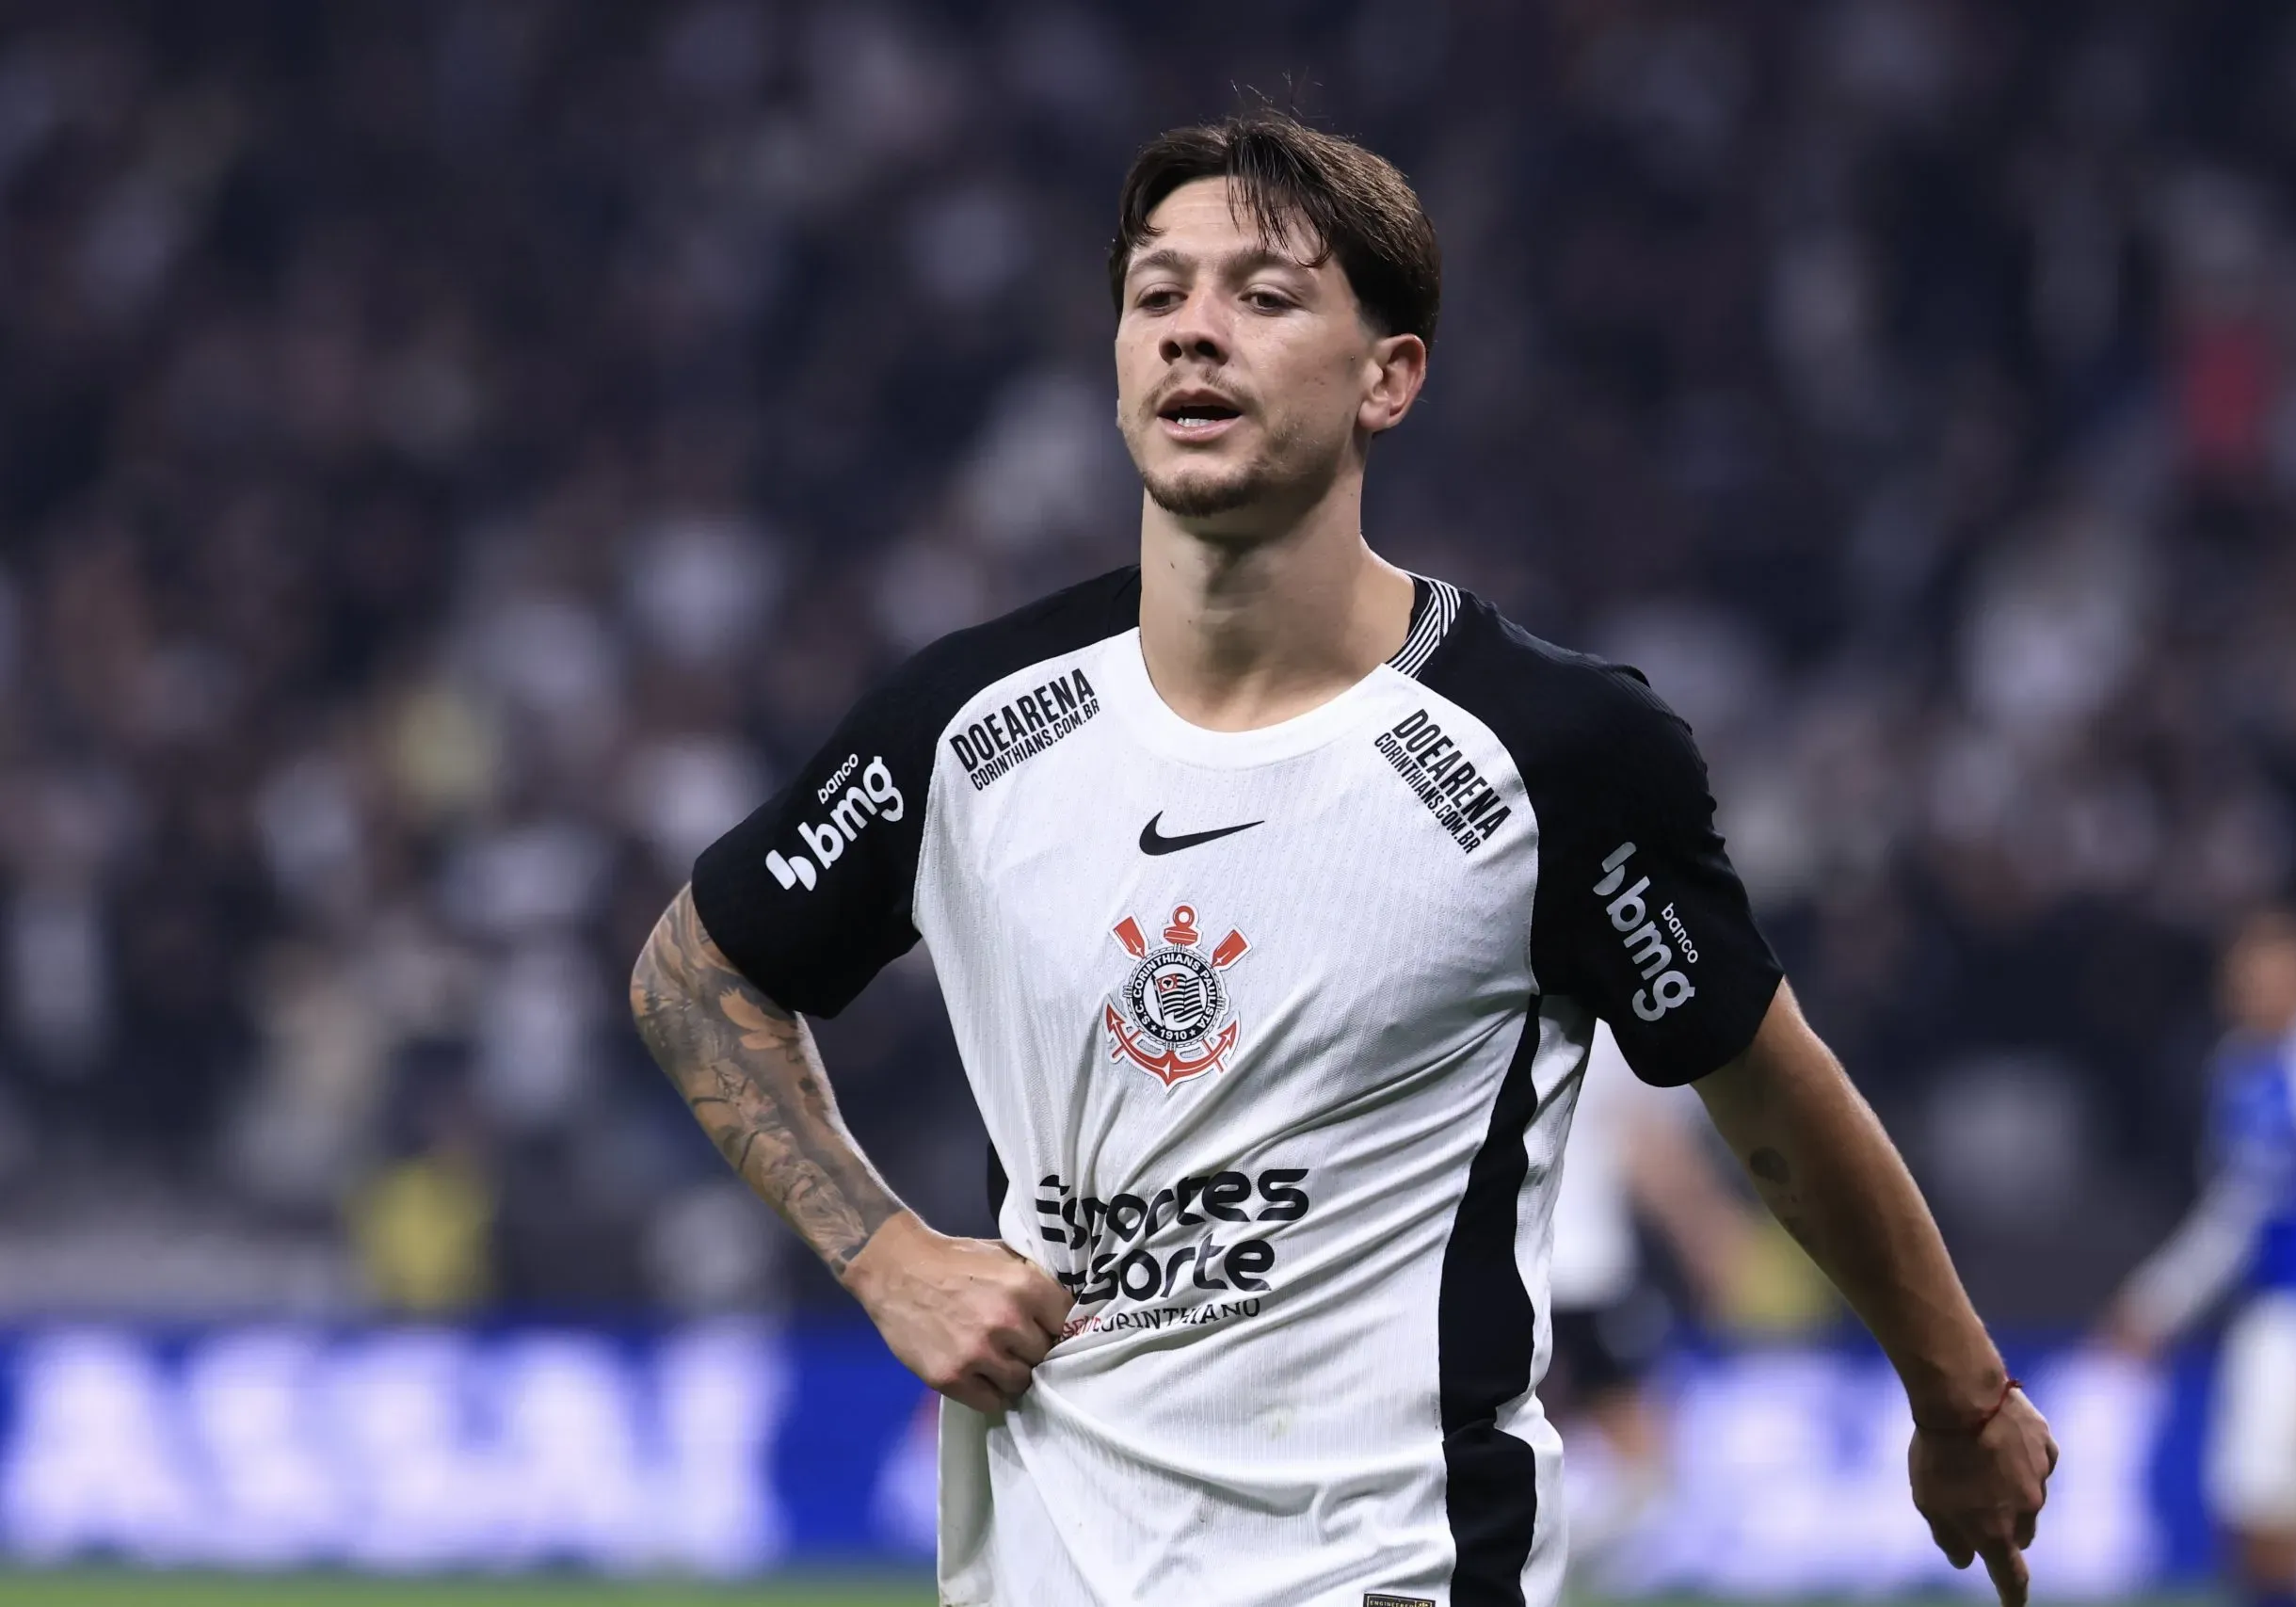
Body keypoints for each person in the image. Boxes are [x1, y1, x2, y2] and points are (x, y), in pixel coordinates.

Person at [630, 109, 2055, 1607]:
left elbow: (1763, 1081)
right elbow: (693, 972)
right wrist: (885, 1254)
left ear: (1391, 376)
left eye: (1263, 295)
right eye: (1157, 292)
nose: (1194, 330)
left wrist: (1961, 1401)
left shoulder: (1556, 749)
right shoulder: (969, 723)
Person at [2104, 912, 2296, 1607]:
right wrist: (2158, 1299)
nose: (2248, 995)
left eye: (2264, 979)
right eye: (2239, 982)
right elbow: (2238, 1208)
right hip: (2273, 1314)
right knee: (2267, 1522)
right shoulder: (2242, 1065)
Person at [1547, 1031, 1756, 1569]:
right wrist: (1708, 1237)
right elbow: (1651, 1148)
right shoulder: (1618, 1031)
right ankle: (1620, 1551)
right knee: (1633, 1431)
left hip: (1502, 1261)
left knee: (1520, 1419)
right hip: (1582, 1263)